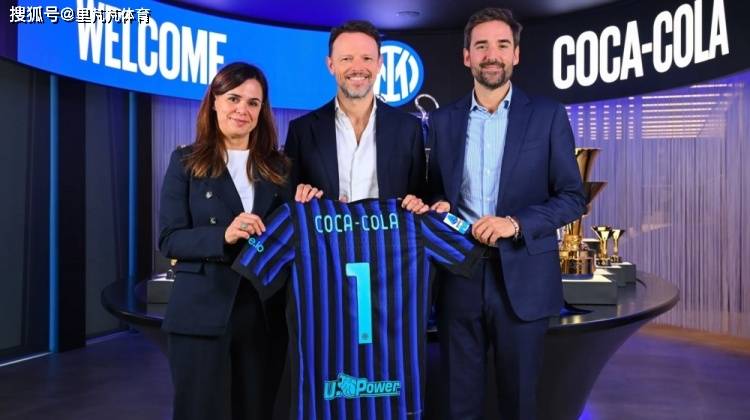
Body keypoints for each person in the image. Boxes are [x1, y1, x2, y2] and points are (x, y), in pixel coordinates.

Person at [427, 8, 586, 420]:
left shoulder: (548, 115)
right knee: (458, 403)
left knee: (519, 403)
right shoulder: (442, 121)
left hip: (524, 279)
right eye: (481, 46)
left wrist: (514, 223)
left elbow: (573, 197)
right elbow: (434, 191)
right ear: (467, 56)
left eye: (502, 45)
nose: (491, 55)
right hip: (458, 275)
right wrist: (437, 204)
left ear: (516, 54)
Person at [158, 62, 289, 420]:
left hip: (263, 314)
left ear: (262, 111)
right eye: (233, 98)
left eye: (253, 102)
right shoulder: (185, 162)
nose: (242, 109)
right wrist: (224, 235)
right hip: (201, 313)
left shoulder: (279, 168)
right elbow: (169, 240)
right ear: (214, 102)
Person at [284, 20, 429, 213]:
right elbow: (288, 202)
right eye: (347, 59)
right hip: (327, 232)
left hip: (391, 233)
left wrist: (418, 204)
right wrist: (301, 196)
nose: (357, 67)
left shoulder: (409, 128)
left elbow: (420, 199)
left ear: (379, 64)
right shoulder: (301, 130)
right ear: (331, 65)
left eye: (367, 58)